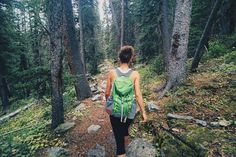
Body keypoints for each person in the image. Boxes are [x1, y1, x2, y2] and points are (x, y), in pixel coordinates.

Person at [105, 45, 147, 157]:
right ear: (131, 58)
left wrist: (109, 103)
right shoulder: (135, 74)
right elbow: (137, 94)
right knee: (125, 125)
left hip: (115, 110)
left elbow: (107, 93)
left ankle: (121, 149)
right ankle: (124, 130)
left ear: (119, 58)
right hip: (129, 111)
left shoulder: (112, 73)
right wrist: (143, 112)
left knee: (119, 141)